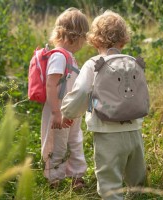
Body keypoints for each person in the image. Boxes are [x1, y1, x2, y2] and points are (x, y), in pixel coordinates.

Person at [61, 10, 146, 200]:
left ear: (94, 40)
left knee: (109, 182)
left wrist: (68, 112)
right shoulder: (132, 62)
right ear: (123, 40)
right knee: (137, 180)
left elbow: (82, 92)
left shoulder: (93, 64)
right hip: (134, 130)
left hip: (107, 133)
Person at [41, 7, 89, 189]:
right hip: (59, 111)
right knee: (57, 145)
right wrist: (55, 112)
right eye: (83, 38)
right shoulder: (59, 57)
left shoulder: (70, 57)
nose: (83, 43)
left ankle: (77, 176)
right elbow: (50, 84)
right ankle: (54, 178)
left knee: (76, 141)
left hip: (71, 111)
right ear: (75, 36)